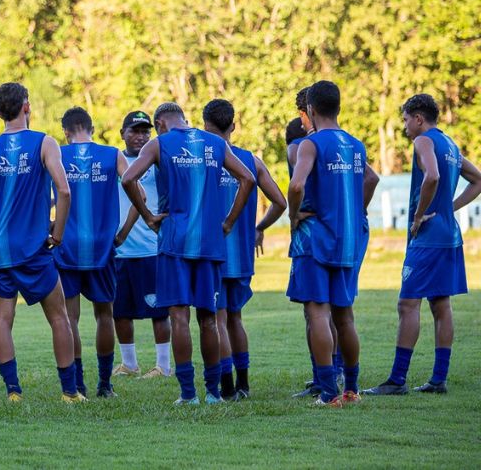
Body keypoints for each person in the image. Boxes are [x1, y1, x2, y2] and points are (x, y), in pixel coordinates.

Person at [121, 102, 255, 405]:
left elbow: (128, 178)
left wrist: (148, 216)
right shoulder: (215, 143)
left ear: (159, 123)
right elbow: (248, 178)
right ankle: (212, 393)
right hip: (210, 243)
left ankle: (188, 394)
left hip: (174, 243)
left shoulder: (159, 144)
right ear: (185, 119)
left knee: (179, 318)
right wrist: (229, 221)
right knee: (209, 319)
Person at [363, 94, 481, 396]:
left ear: (418, 118)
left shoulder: (424, 142)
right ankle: (439, 378)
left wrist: (417, 217)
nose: (404, 127)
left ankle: (397, 380)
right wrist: (449, 208)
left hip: (428, 236)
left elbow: (432, 176)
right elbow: (478, 180)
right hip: (449, 235)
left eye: (405, 120)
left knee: (407, 304)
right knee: (441, 304)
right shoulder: (451, 145)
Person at [0, 82, 84, 402]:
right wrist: (58, 234)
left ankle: (13, 391)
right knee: (59, 317)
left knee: (2, 319)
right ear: (26, 106)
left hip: (0, 249)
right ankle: (69, 392)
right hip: (35, 248)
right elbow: (64, 191)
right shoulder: (44, 142)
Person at [287, 80, 378, 407]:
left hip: (316, 240)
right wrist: (358, 208)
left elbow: (297, 185)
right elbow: (372, 179)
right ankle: (351, 390)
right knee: (345, 317)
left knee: (318, 313)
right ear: (338, 107)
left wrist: (293, 216)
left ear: (310, 109)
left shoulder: (310, 144)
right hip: (347, 240)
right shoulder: (355, 144)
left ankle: (328, 393)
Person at [203, 99, 287, 400]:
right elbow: (280, 202)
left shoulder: (204, 159)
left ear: (204, 127)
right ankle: (244, 384)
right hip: (241, 253)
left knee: (218, 319)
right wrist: (259, 227)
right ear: (233, 127)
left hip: (211, 253)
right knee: (236, 318)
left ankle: (225, 387)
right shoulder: (251, 161)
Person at [53, 107, 132, 398]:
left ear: (65, 131)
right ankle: (104, 384)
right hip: (102, 246)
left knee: (69, 318)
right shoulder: (112, 154)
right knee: (104, 316)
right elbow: (139, 191)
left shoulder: (57, 154)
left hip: (67, 246)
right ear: (92, 128)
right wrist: (123, 232)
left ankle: (77, 384)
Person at [112, 111, 172, 380]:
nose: (140, 136)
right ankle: (129, 363)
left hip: (151, 247)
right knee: (120, 310)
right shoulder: (114, 160)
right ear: (122, 133)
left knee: (158, 310)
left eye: (146, 131)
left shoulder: (158, 159)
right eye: (134, 131)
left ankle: (163, 365)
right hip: (119, 249)